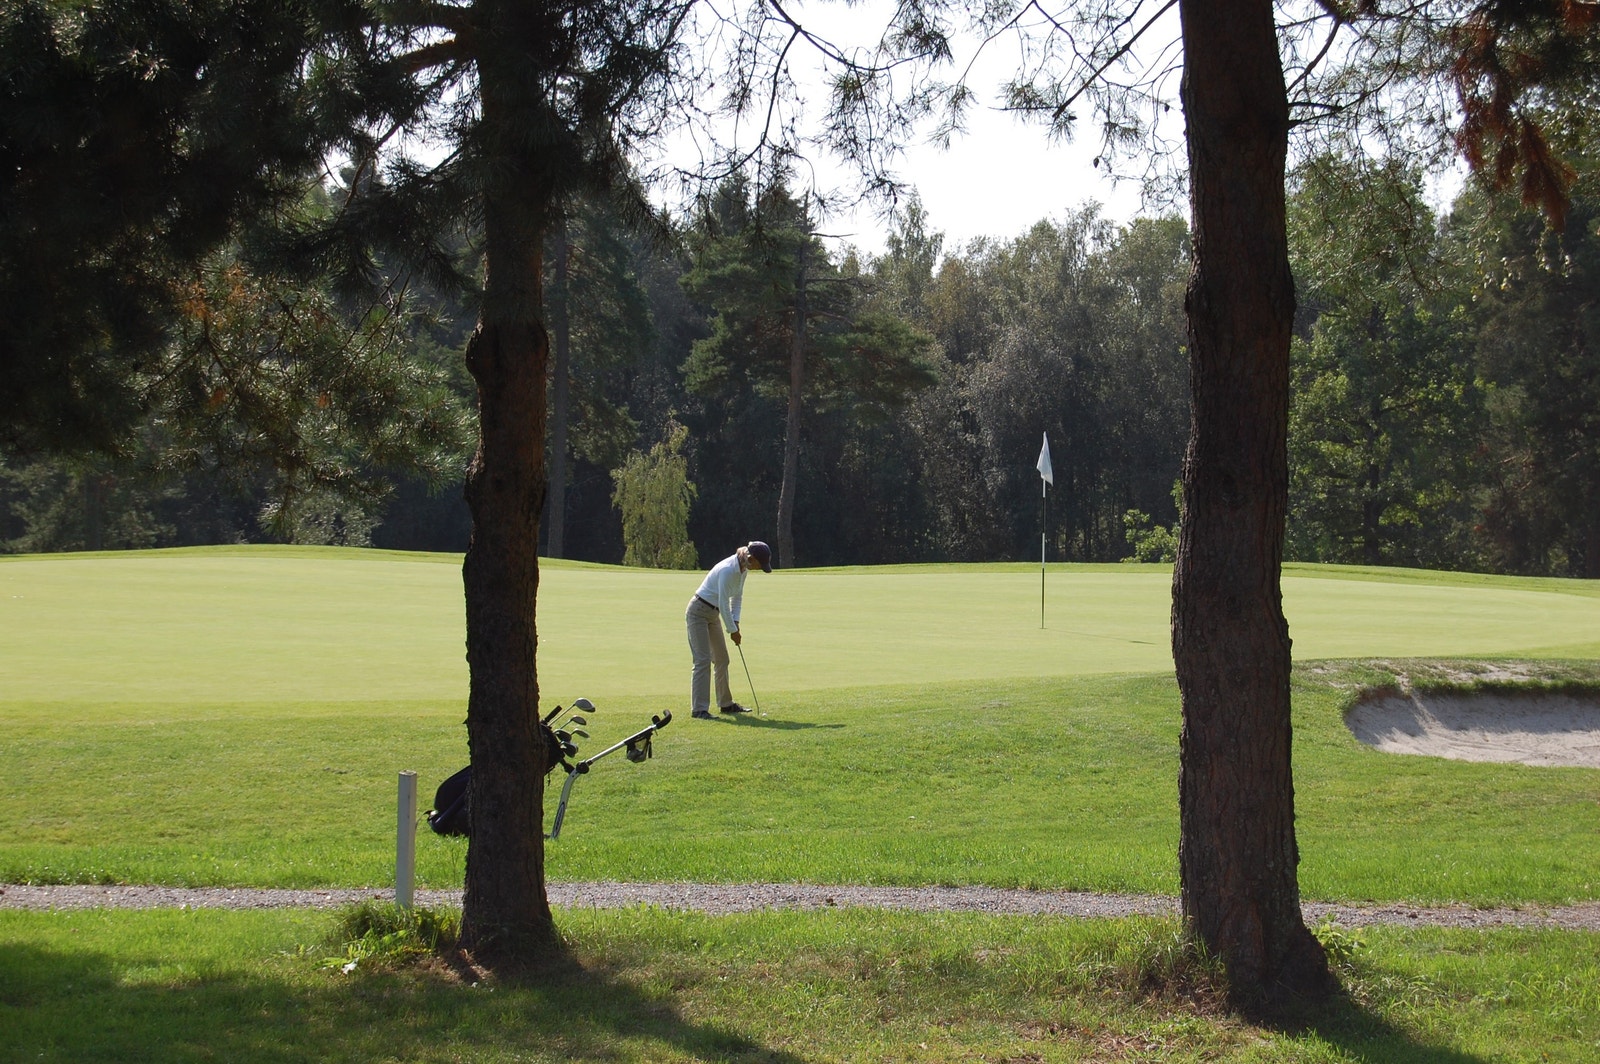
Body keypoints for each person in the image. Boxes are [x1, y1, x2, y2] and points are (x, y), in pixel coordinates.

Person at [686, 541, 771, 719]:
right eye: (758, 564)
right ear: (750, 558)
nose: (758, 568)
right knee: (702, 660)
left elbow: (737, 597)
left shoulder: (743, 570)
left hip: (713, 613)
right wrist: (732, 630)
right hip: (698, 612)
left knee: (722, 659)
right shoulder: (727, 570)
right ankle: (699, 709)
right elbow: (724, 602)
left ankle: (725, 704)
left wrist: (736, 621)